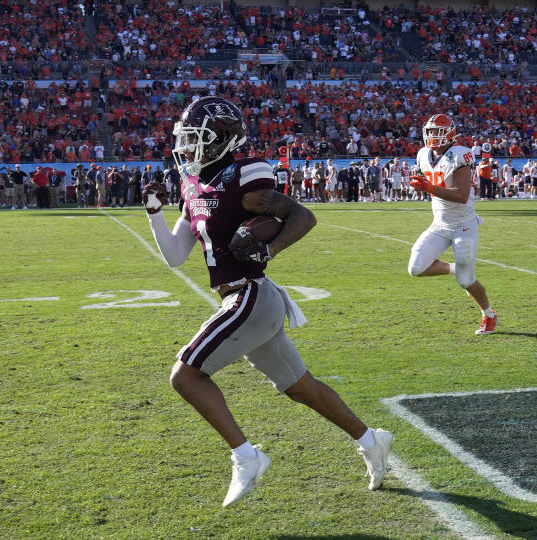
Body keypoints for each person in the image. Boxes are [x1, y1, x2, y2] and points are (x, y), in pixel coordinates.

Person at [141, 96, 392, 508]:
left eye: (196, 139)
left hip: (250, 294)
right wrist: (153, 214)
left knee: (185, 377)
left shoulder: (245, 175)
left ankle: (246, 457)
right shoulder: (192, 185)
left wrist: (268, 250)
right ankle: (371, 441)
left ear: (221, 139)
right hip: (248, 299)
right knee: (301, 388)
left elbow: (303, 218)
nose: (186, 147)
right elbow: (175, 256)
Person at [407, 113, 497, 335]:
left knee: (466, 281)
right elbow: (430, 178)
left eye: (437, 131)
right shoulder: (422, 155)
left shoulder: (461, 154)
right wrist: (421, 182)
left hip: (463, 225)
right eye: (430, 132)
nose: (432, 136)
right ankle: (454, 268)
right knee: (415, 268)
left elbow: (461, 195)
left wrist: (429, 188)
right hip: (439, 224)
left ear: (450, 133)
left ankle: (489, 315)